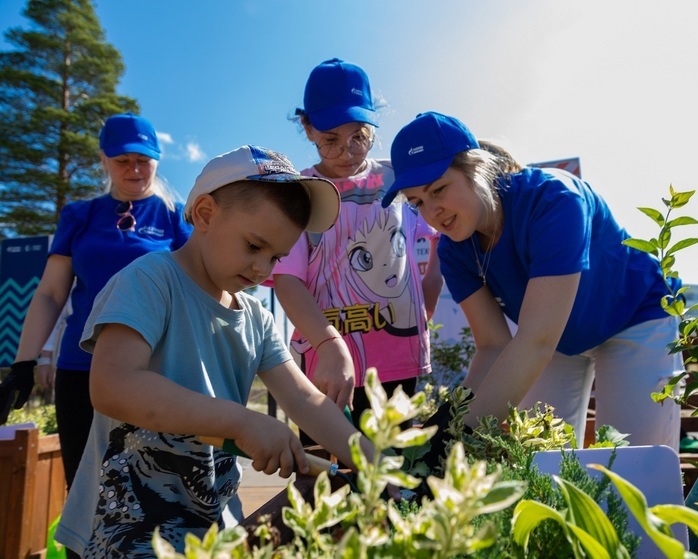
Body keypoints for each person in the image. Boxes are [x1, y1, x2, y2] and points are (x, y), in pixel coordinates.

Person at [55, 144, 394, 557]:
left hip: (211, 532)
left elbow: (304, 400)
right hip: (121, 530)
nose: (263, 270)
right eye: (254, 246)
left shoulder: (255, 318)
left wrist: (379, 466)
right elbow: (113, 386)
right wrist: (242, 423)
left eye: (276, 257)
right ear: (205, 214)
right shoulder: (149, 281)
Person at [382, 111, 682, 452]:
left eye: (439, 189)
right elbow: (493, 346)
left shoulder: (554, 198)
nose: (432, 211)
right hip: (556, 341)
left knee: (634, 466)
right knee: (542, 464)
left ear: (476, 169)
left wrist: (461, 438)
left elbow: (536, 340)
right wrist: (452, 420)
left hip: (634, 318)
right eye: (418, 202)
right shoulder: (453, 251)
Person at [0, 112, 193, 506]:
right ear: (103, 160)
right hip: (81, 372)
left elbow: (196, 289)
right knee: (86, 493)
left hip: (154, 372)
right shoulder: (79, 215)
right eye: (122, 160)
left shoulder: (176, 217)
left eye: (143, 159)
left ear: (157, 159)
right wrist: (24, 363)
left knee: (153, 492)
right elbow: (51, 293)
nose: (134, 169)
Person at [268, 58, 442, 435]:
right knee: (327, 482)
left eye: (359, 137)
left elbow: (437, 234)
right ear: (308, 128)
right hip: (327, 366)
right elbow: (287, 281)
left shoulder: (398, 180)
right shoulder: (299, 195)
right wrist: (328, 345)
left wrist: (427, 297)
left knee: (395, 477)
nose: (347, 152)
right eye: (331, 140)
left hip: (398, 358)